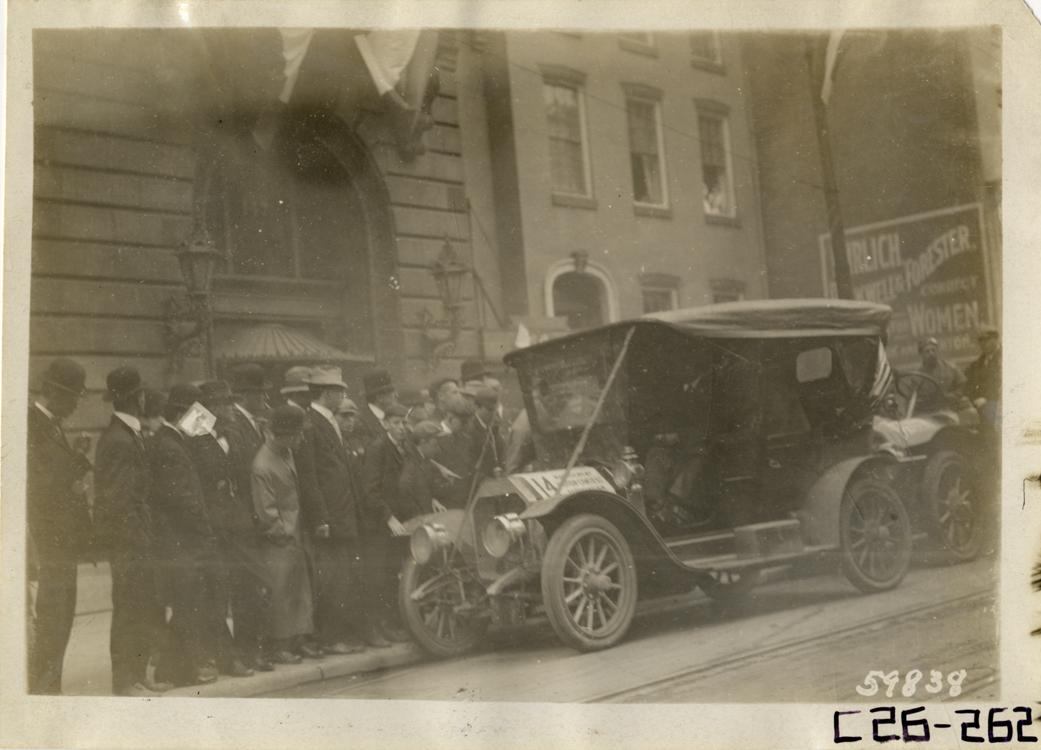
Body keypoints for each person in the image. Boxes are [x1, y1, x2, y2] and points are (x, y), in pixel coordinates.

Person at [93, 366, 170, 696]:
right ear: (137, 398)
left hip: (136, 540)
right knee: (129, 609)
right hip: (130, 542)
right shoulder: (120, 441)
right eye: (141, 394)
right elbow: (122, 501)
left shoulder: (124, 435)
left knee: (141, 608)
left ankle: (137, 675)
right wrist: (141, 540)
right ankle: (125, 680)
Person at [26, 358, 94, 694]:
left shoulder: (52, 424)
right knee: (52, 619)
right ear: (50, 390)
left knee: (62, 619)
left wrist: (77, 456)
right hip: (47, 541)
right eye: (70, 396)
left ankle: (51, 689)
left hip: (62, 541)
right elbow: (40, 484)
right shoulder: (31, 424)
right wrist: (74, 462)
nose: (74, 404)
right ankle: (44, 692)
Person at [187, 381, 264, 676]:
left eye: (231, 402)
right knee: (215, 593)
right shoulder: (194, 430)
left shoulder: (234, 431)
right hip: (211, 523)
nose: (230, 407)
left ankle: (247, 652)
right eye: (223, 403)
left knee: (253, 583)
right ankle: (225, 657)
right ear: (208, 407)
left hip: (236, 520)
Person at [148, 383, 223, 687]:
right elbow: (183, 500)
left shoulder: (174, 441)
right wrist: (205, 533)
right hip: (183, 543)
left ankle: (179, 669)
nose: (202, 421)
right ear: (182, 413)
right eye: (198, 415)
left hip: (181, 541)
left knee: (189, 606)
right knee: (187, 606)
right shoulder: (169, 445)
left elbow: (214, 461)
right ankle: (171, 670)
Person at [297, 364, 368, 655]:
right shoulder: (311, 423)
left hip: (342, 513)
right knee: (333, 580)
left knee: (344, 578)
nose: (343, 395)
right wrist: (320, 518)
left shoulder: (325, 422)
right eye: (339, 390)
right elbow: (309, 476)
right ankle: (330, 637)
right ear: (327, 393)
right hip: (330, 517)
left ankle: (341, 635)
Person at [251, 405, 315, 664]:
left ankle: (297, 639)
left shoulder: (286, 452)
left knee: (299, 590)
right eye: (296, 435)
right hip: (279, 539)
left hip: (294, 534)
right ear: (281, 435)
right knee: (281, 592)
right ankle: (279, 645)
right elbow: (265, 510)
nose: (300, 440)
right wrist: (283, 533)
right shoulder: (263, 465)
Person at [361, 403, 414, 642]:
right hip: (380, 524)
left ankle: (392, 625)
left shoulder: (404, 447)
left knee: (394, 574)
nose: (402, 427)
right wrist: (389, 517)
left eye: (405, 423)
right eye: (396, 423)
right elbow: (369, 491)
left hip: (399, 523)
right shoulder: (378, 449)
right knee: (378, 576)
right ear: (385, 424)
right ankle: (376, 628)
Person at [398, 421, 455, 516]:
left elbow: (425, 488)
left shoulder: (423, 458)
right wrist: (419, 516)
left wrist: (432, 499)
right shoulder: (410, 463)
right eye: (435, 445)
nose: (438, 449)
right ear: (423, 442)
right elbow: (404, 495)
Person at [434, 399, 477, 509]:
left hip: (464, 501)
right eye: (463, 422)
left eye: (468, 421)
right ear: (450, 418)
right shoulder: (431, 437)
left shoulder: (468, 440)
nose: (466, 425)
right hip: (441, 502)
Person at [464, 386, 506, 482]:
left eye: (496, 409)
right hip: (477, 485)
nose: (494, 414)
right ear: (476, 408)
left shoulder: (494, 426)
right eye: (489, 410)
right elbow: (468, 465)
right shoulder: (469, 430)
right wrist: (488, 476)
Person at [965, 325, 1002, 432]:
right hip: (980, 404)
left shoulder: (1006, 358)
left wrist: (986, 399)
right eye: (980, 340)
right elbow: (969, 382)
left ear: (996, 339)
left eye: (986, 339)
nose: (983, 343)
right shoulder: (979, 363)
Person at [914, 337, 966, 413]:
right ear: (921, 354)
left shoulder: (951, 368)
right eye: (927, 351)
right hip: (928, 410)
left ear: (937, 351)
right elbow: (911, 396)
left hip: (951, 408)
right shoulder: (917, 375)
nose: (931, 353)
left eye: (933, 350)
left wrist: (951, 396)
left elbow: (963, 386)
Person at [229, 364, 270, 451]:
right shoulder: (233, 423)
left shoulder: (255, 420)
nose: (267, 397)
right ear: (246, 395)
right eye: (262, 393)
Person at [353, 369, 399, 449]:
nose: (396, 395)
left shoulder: (392, 418)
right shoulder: (360, 423)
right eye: (392, 392)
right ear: (380, 397)